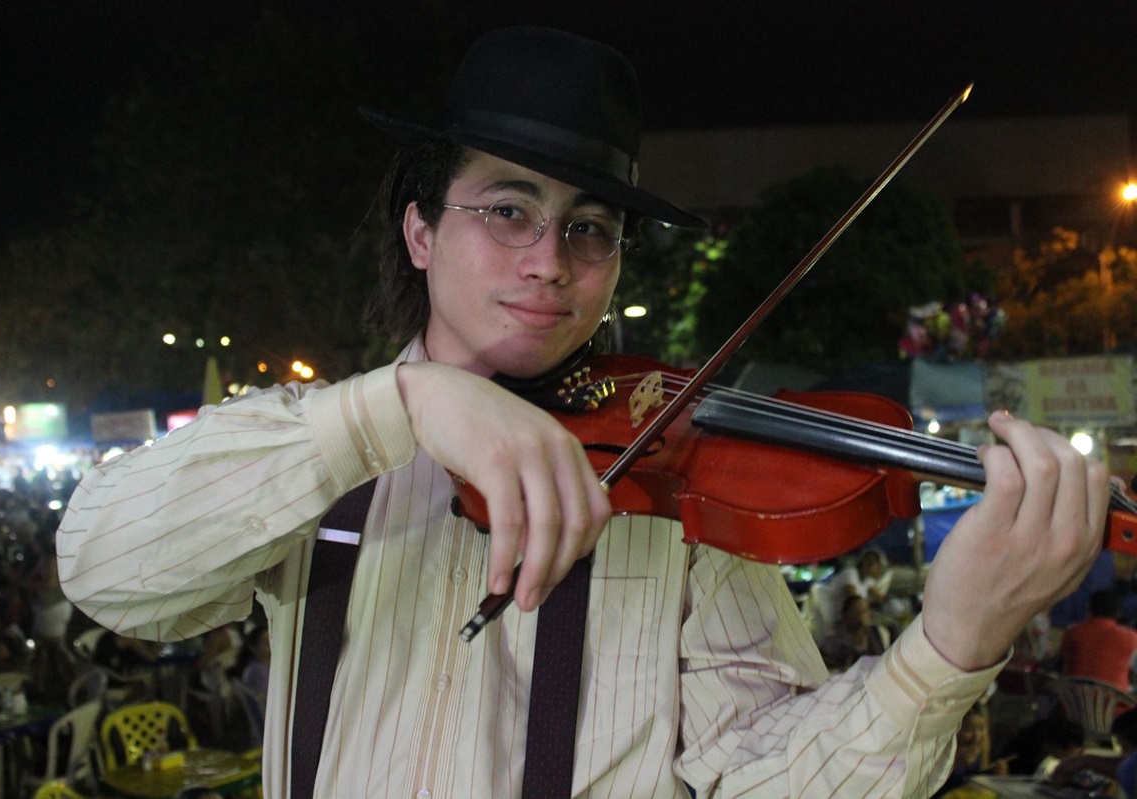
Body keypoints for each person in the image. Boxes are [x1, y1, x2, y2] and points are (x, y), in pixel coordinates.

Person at [55, 26, 1111, 798]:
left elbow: (763, 782)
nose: (549, 263)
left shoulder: (672, 491)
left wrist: (952, 648)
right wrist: (400, 407)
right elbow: (110, 572)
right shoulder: (317, 448)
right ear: (421, 229)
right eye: (507, 210)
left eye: (590, 229)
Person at [1059, 588, 1137, 691]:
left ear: (1089, 609)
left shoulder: (1072, 633)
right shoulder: (1131, 638)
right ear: (1118, 613)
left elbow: (1063, 664)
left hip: (1074, 703)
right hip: (1116, 704)